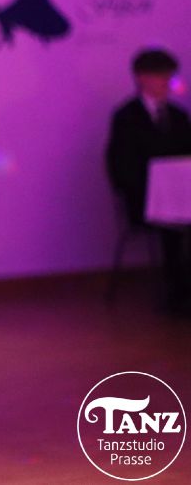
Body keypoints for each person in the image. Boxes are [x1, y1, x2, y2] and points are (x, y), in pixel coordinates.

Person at [107, 48, 191, 313]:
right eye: (160, 76)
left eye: (169, 76)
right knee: (174, 226)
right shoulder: (126, 117)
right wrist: (155, 190)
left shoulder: (179, 116)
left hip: (183, 198)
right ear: (141, 77)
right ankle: (177, 296)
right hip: (144, 200)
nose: (166, 82)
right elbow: (121, 166)